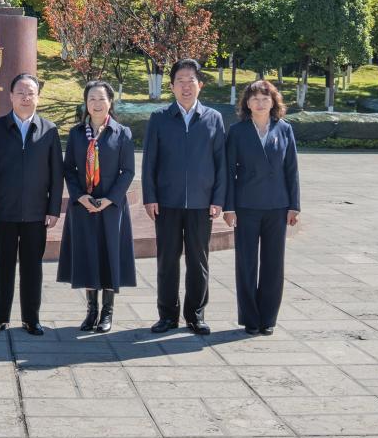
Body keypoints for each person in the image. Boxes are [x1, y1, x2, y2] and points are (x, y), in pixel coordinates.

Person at [141, 58, 227, 336]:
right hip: (167, 203)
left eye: (191, 81)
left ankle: (195, 315)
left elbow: (221, 162)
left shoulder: (213, 118)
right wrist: (150, 197)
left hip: (202, 204)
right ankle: (167, 316)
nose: (186, 86)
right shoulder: (160, 118)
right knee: (167, 261)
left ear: (200, 85)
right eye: (180, 81)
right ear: (172, 86)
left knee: (198, 261)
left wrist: (218, 199)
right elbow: (149, 161)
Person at [0, 74, 63, 336]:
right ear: (11, 96)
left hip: (36, 214)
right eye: (21, 93)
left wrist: (53, 209)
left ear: (38, 97)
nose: (26, 98)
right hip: (3, 213)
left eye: (31, 93)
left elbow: (56, 174)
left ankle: (31, 319)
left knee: (32, 268)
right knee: (2, 266)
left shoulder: (49, 130)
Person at [57, 80, 136, 333]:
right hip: (83, 206)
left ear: (110, 102)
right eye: (92, 98)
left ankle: (107, 312)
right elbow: (69, 169)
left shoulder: (122, 133)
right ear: (86, 103)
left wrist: (108, 200)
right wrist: (79, 196)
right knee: (88, 256)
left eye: (102, 98)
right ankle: (91, 311)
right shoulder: (76, 134)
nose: (97, 103)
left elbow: (128, 171)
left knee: (109, 255)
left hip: (111, 207)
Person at [223, 80, 300, 336]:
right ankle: (250, 319)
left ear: (273, 102)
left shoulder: (284, 129)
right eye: (254, 98)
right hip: (246, 206)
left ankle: (268, 318)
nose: (259, 103)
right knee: (246, 263)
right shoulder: (237, 131)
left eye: (265, 98)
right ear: (247, 103)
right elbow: (228, 172)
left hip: (277, 206)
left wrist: (294, 205)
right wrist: (229, 207)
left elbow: (291, 170)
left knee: (273, 264)